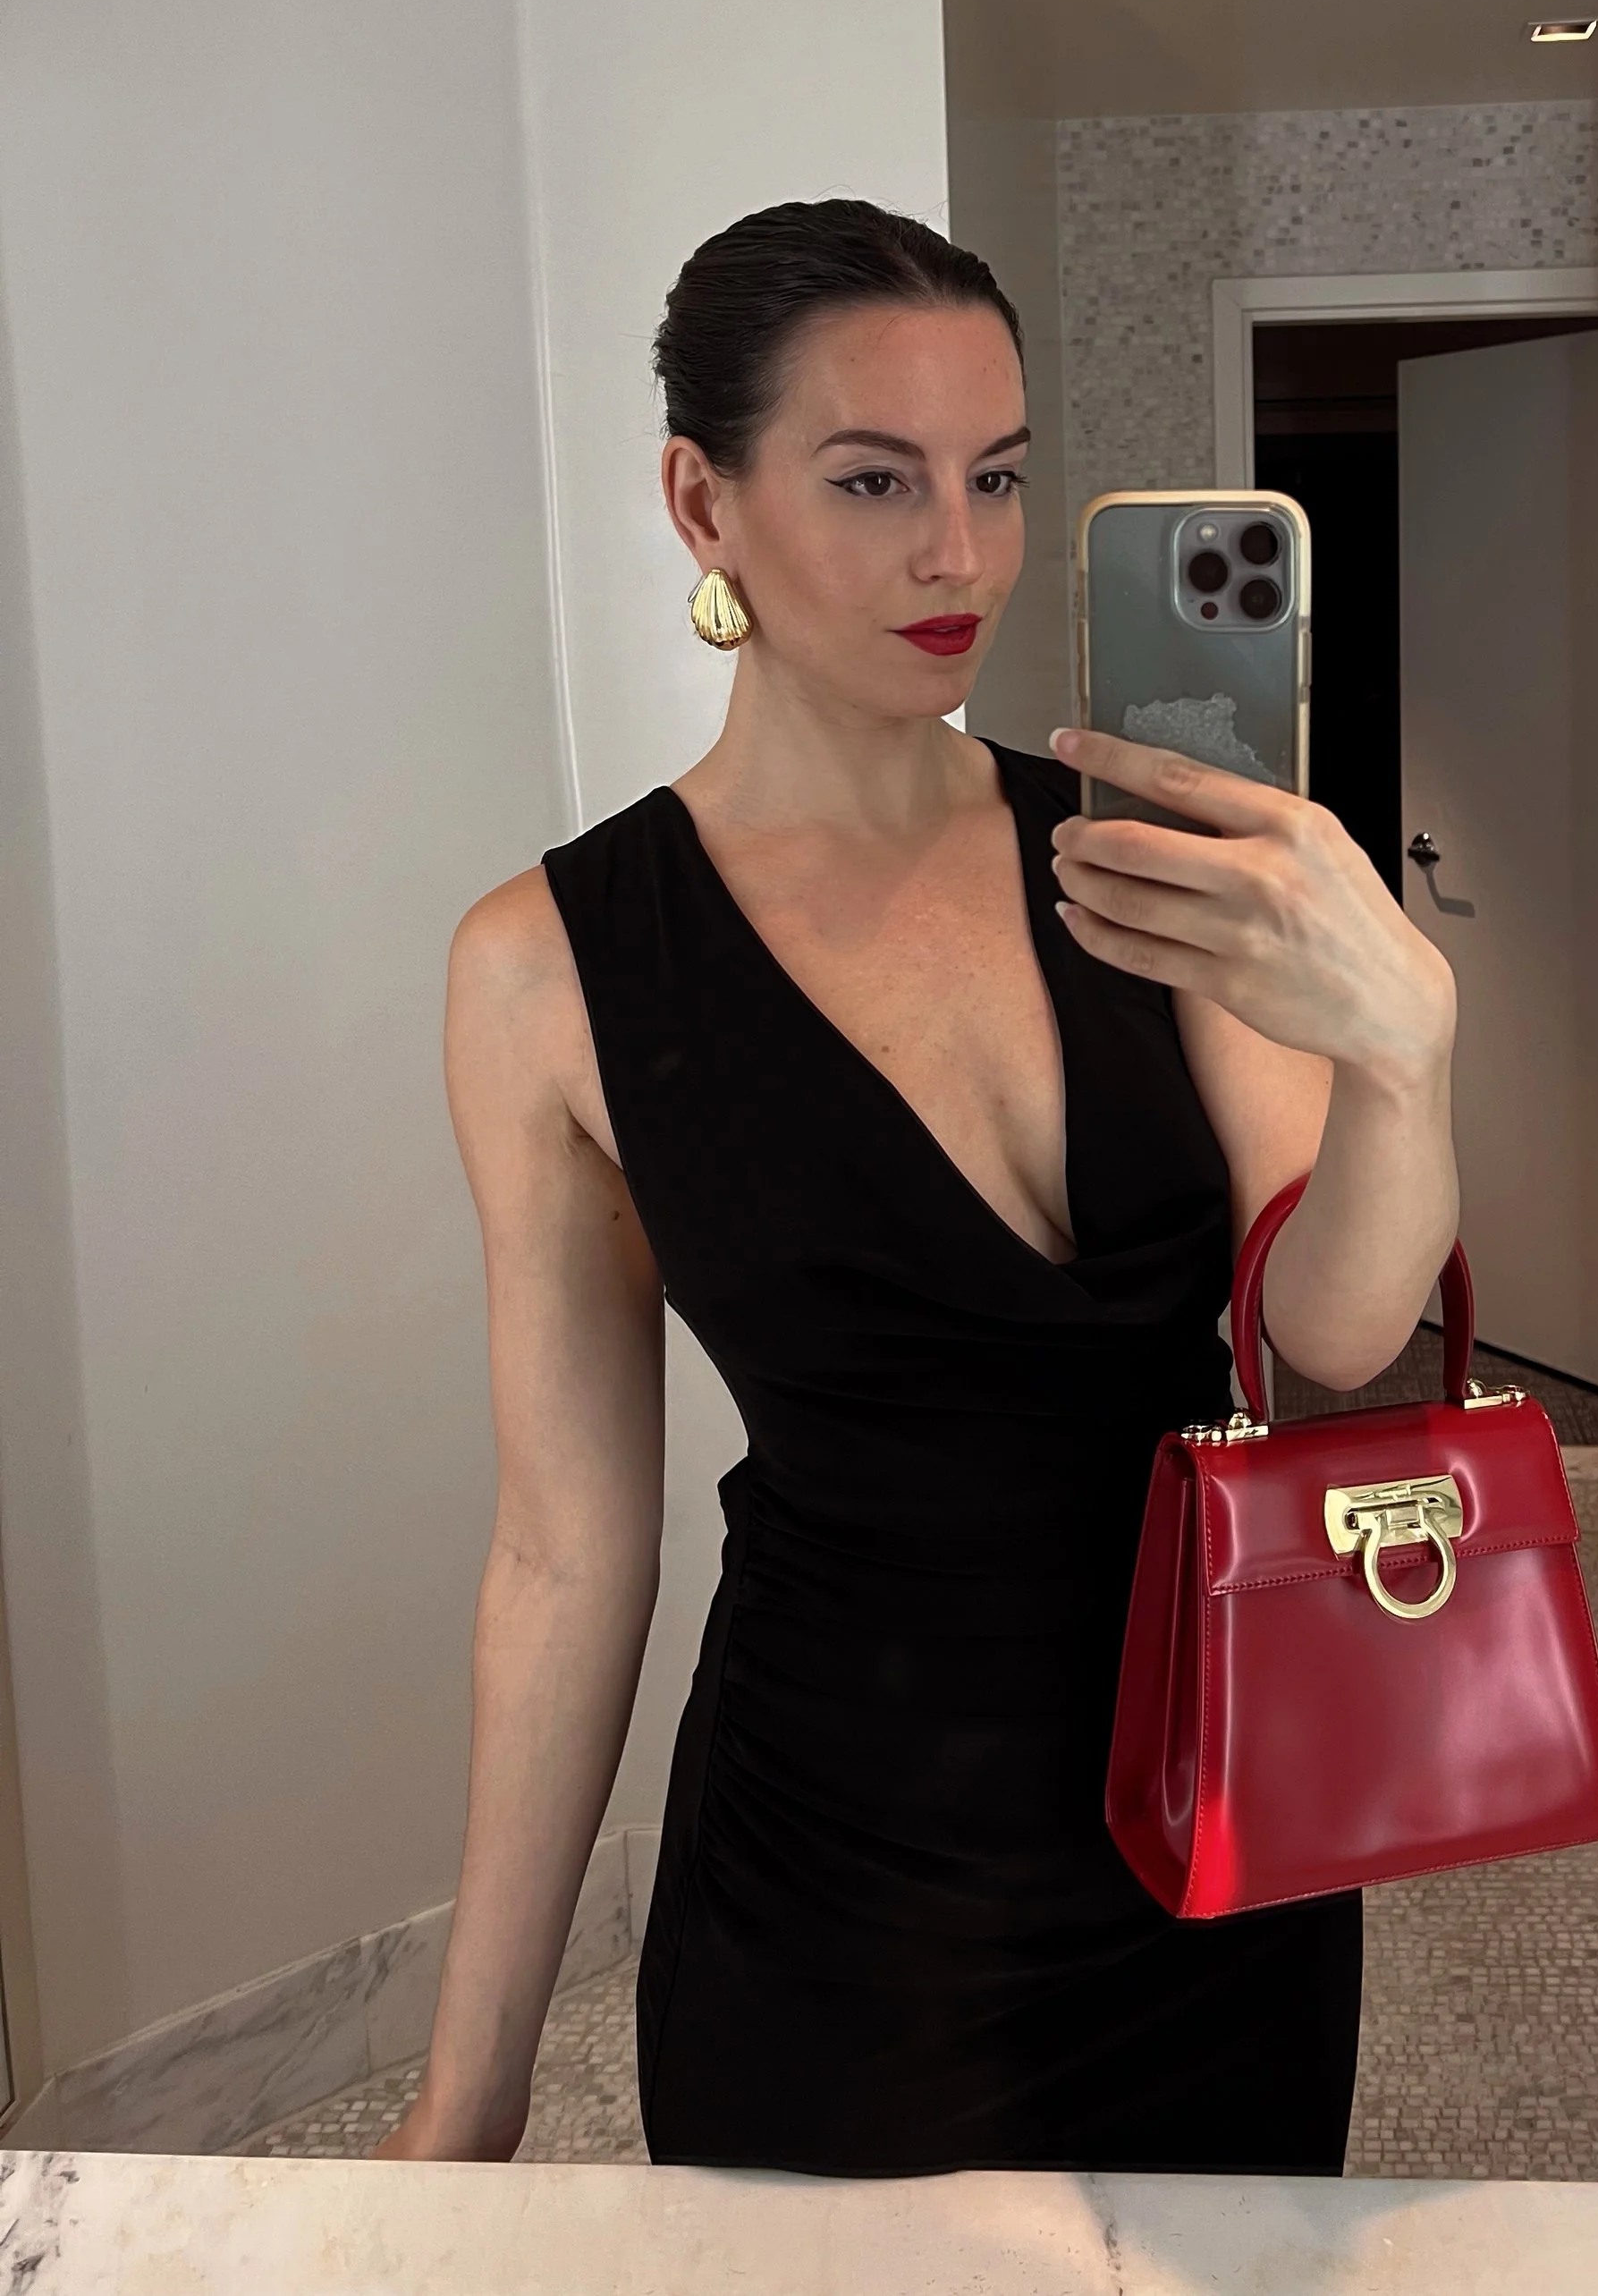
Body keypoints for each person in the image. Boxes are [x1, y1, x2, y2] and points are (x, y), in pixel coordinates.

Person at [378, 199, 1458, 2174]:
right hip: (835, 1888)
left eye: (998, 476)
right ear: (701, 502)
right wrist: (472, 2090)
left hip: (1219, 1832)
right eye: (873, 479)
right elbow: (562, 1553)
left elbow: (1330, 1333)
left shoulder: (1151, 863)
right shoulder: (548, 970)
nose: (959, 552)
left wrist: (1402, 1059)